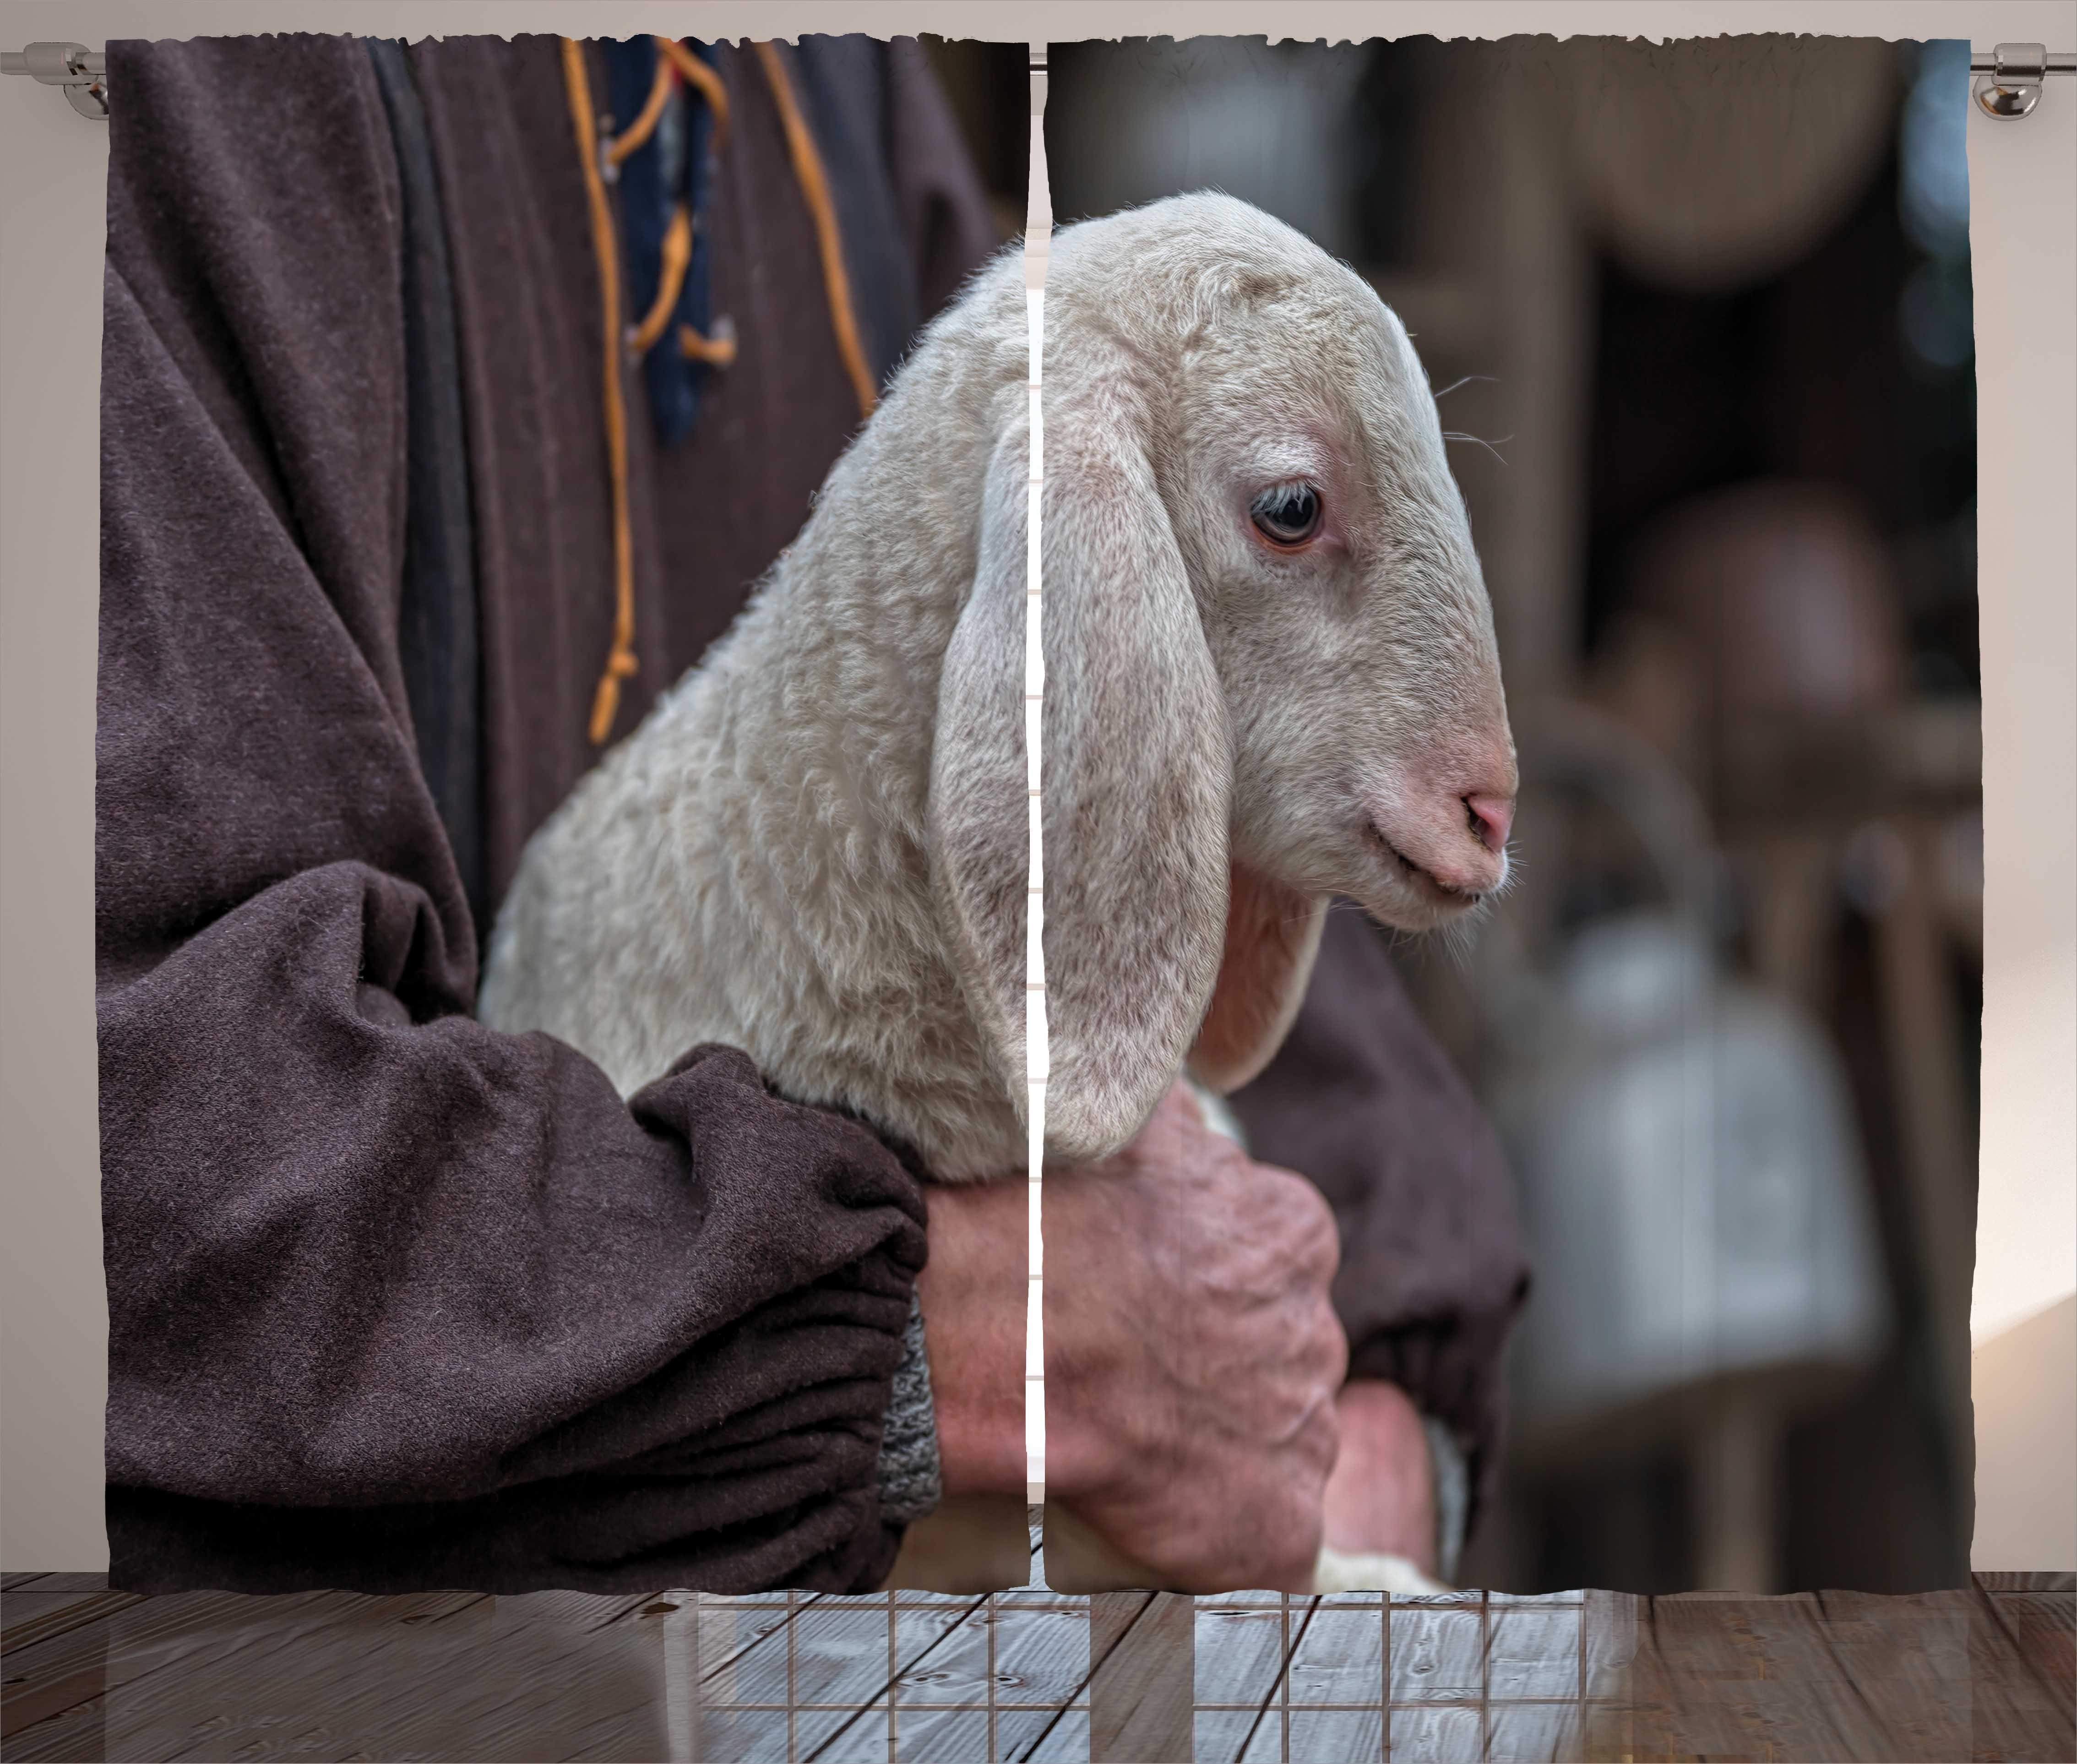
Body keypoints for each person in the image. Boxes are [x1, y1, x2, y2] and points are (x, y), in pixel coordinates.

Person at [96, 32, 1527, 1595]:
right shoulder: (167, 91)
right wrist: (936, 1342)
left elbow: (1139, 723)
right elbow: (145, 1146)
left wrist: (1368, 1428)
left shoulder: (824, 77)